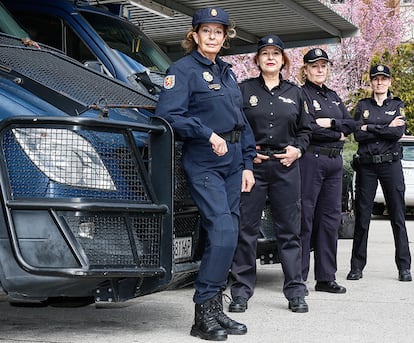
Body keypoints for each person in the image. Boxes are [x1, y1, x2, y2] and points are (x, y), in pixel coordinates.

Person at [155, 7, 257, 341]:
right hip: (204, 161)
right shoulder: (182, 71)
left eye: (219, 32)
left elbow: (241, 123)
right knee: (224, 232)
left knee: (227, 236)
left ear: (226, 37)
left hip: (231, 164)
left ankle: (214, 310)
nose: (213, 37)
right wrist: (206, 133)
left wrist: (247, 164)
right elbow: (169, 115)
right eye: (207, 31)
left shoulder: (226, 73)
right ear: (195, 35)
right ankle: (202, 313)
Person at [229, 35, 311, 314]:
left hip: (287, 168)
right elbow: (235, 127)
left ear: (283, 59)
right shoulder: (243, 90)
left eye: (276, 52)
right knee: (246, 230)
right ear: (258, 59)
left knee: (289, 231)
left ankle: (296, 291)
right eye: (265, 53)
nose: (270, 57)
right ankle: (240, 291)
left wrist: (297, 151)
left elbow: (306, 131)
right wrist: (247, 153)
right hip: (254, 167)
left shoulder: (295, 93)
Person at [347, 64, 412, 282]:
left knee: (397, 216)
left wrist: (371, 127)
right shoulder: (363, 105)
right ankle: (357, 267)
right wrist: (383, 126)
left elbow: (397, 133)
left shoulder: (397, 105)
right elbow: (357, 134)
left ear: (389, 82)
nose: (380, 82)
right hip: (367, 167)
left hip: (390, 166)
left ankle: (404, 267)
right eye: (376, 79)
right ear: (371, 82)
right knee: (362, 217)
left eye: (384, 79)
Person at [299, 48, 355, 294]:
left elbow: (351, 124)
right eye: (314, 66)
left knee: (330, 221)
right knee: (305, 219)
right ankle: (298, 277)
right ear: (306, 69)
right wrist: (337, 132)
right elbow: (308, 128)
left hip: (334, 163)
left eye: (323, 65)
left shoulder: (333, 96)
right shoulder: (300, 95)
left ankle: (325, 277)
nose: (319, 70)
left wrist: (332, 123)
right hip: (312, 159)